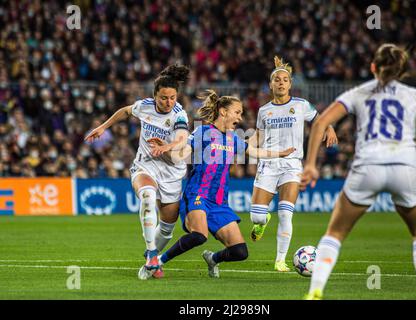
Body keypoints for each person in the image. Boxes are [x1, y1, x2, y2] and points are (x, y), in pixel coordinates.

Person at [301, 43, 416, 300]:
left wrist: (311, 164)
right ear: (403, 70)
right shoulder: (415, 96)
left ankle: (316, 291)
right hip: (405, 168)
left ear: (373, 67)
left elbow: (322, 122)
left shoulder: (359, 92)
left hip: (367, 167)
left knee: (335, 232)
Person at [149, 90, 295, 278]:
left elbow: (255, 152)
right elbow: (183, 153)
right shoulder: (203, 131)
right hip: (198, 195)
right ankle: (157, 261)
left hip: (219, 203)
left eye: (241, 113)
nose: (240, 117)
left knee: (240, 252)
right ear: (223, 112)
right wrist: (166, 150)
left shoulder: (234, 138)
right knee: (199, 236)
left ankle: (213, 259)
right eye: (237, 112)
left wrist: (280, 153)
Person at [84, 64, 191, 279]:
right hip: (146, 165)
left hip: (172, 171)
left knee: (167, 228)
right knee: (148, 196)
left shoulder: (180, 115)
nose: (168, 102)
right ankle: (152, 252)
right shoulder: (144, 106)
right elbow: (125, 111)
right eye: (163, 98)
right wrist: (104, 126)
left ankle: (151, 260)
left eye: (172, 97)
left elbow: (181, 140)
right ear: (155, 96)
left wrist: (165, 147)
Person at [248, 56, 338, 272]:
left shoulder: (300, 105)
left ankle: (280, 260)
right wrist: (245, 147)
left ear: (290, 84)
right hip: (268, 164)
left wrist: (330, 127)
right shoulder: (263, 111)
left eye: (285, 79)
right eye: (277, 79)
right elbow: (258, 137)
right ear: (271, 85)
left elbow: (321, 118)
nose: (281, 82)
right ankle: (262, 221)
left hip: (292, 165)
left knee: (286, 213)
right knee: (257, 216)